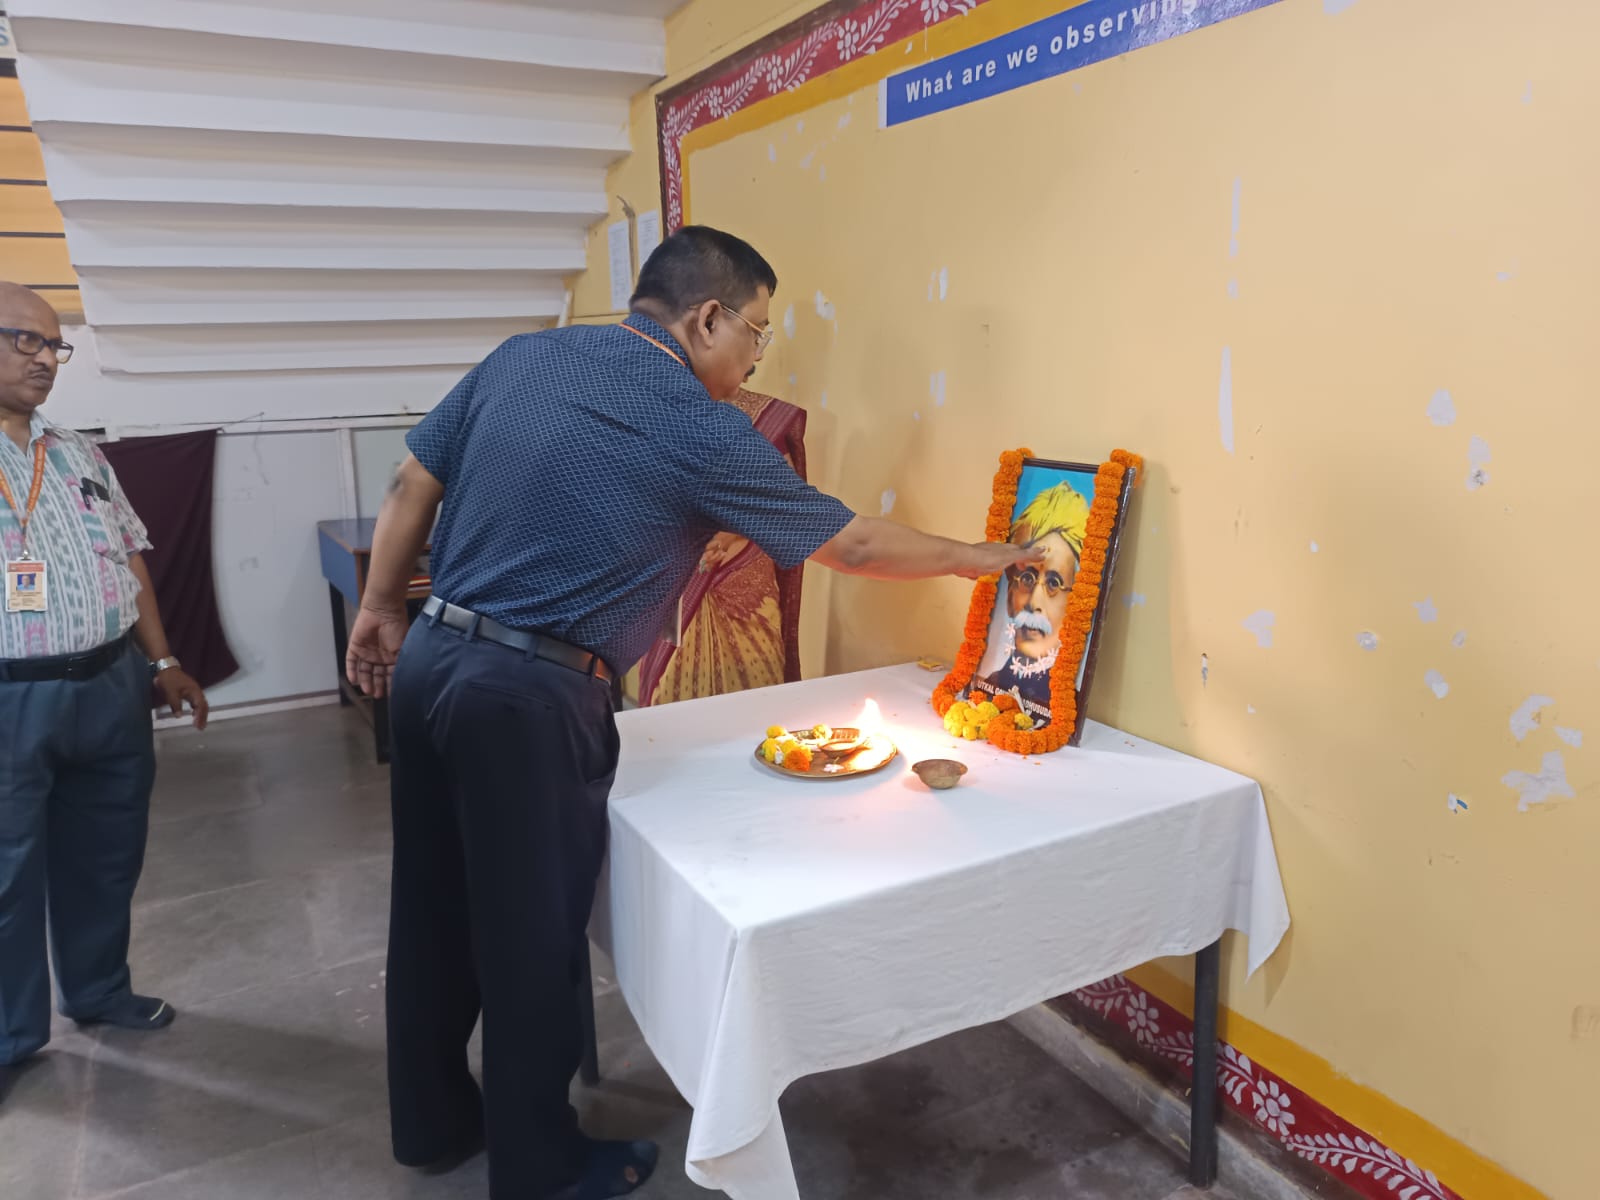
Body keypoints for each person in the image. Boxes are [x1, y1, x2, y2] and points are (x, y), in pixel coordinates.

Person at [343, 225, 1037, 1200]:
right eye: (756, 331)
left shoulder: (525, 356)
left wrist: (380, 607)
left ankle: (431, 1124)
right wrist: (977, 559)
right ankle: (541, 1170)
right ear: (707, 319)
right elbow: (852, 546)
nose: (755, 357)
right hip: (528, 696)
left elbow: (413, 479)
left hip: (431, 659)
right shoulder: (697, 424)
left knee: (432, 904)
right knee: (529, 937)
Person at [0, 282, 209, 1087]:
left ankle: (98, 991)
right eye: (25, 340)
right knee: (7, 873)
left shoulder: (78, 451)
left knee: (106, 854)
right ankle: (10, 1036)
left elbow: (129, 556)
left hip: (110, 684)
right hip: (12, 697)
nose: (45, 360)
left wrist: (162, 663)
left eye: (54, 345)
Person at [635, 385, 810, 706]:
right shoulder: (657, 408)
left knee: (756, 702)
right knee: (673, 702)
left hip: (745, 587)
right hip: (680, 580)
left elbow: (786, 503)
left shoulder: (767, 417)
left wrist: (733, 532)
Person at [977, 481, 1089, 719]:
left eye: (1053, 583)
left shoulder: (1066, 710)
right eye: (1027, 578)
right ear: (1010, 592)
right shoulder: (985, 685)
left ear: (1077, 602)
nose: (1034, 602)